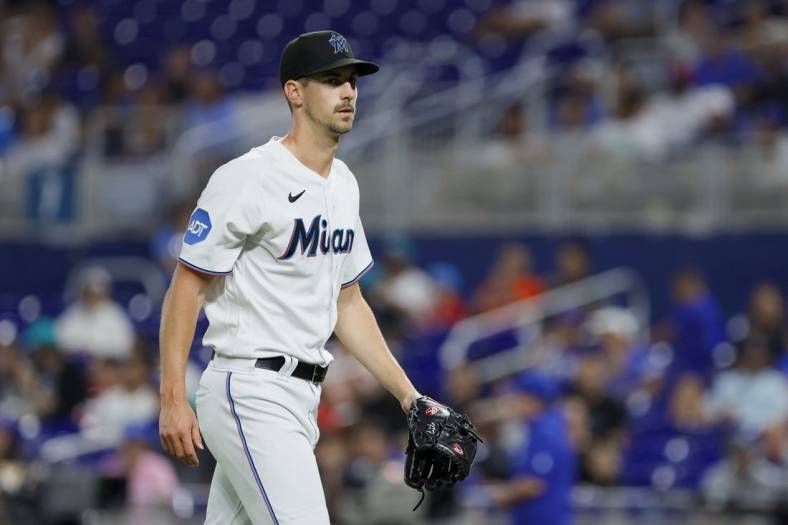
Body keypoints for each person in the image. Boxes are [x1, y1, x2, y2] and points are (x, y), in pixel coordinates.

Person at [158, 31, 426, 525]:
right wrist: (173, 397)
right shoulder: (247, 177)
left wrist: (409, 396)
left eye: (352, 81)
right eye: (331, 80)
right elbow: (186, 287)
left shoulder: (344, 184)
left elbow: (348, 304)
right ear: (295, 92)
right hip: (251, 387)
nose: (348, 91)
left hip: (303, 398)